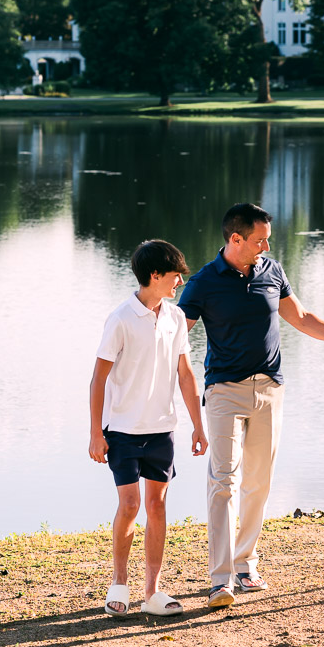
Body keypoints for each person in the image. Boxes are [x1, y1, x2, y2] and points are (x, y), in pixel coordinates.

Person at [179, 203, 324, 608]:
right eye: (259, 239)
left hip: (270, 389)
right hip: (223, 391)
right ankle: (220, 579)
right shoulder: (203, 282)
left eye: (267, 239)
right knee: (224, 482)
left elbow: (303, 318)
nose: (266, 245)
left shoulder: (272, 270)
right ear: (234, 239)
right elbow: (175, 338)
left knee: (259, 481)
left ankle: (245, 562)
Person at [89, 239, 208, 617]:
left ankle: (153, 593)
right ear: (154, 275)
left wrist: (197, 426)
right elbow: (98, 380)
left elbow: (186, 375)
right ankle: (118, 584)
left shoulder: (174, 318)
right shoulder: (121, 318)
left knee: (157, 505)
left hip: (162, 431)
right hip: (122, 430)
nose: (180, 283)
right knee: (130, 504)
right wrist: (95, 432)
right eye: (175, 276)